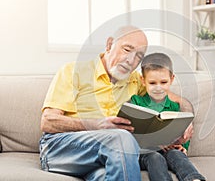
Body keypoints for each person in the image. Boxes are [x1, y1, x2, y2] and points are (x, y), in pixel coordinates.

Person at [39, 26, 193, 181]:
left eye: (139, 57)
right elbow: (48, 122)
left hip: (105, 156)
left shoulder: (135, 80)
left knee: (105, 175)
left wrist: (186, 119)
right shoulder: (73, 71)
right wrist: (96, 125)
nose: (131, 60)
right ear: (109, 45)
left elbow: (179, 101)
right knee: (121, 138)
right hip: (60, 149)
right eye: (127, 50)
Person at [131, 53, 206, 181]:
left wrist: (182, 145)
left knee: (177, 154)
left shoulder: (174, 108)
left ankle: (194, 179)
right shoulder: (136, 102)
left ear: (171, 79)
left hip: (169, 151)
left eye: (163, 82)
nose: (158, 88)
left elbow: (180, 134)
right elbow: (132, 133)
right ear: (143, 81)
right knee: (155, 157)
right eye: (152, 83)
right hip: (145, 153)